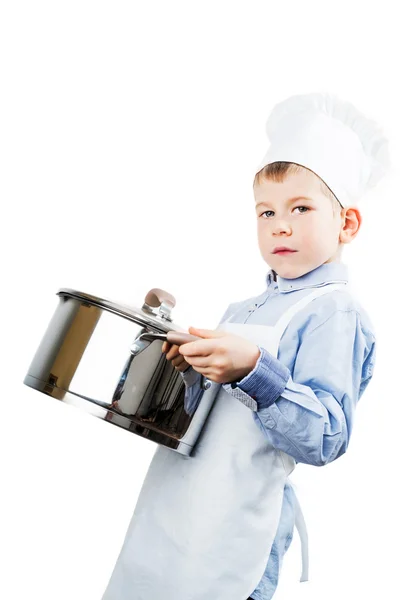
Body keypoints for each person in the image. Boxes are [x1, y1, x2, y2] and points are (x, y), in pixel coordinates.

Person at [101, 92, 390, 600]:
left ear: (346, 223)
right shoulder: (242, 309)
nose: (280, 224)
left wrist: (254, 370)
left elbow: (326, 437)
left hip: (234, 529)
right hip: (172, 512)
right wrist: (174, 360)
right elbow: (200, 419)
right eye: (265, 211)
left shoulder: (333, 312)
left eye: (301, 207)